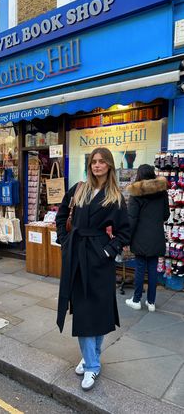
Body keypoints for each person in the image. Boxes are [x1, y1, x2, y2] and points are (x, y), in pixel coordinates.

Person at [56, 147, 130, 391]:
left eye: (101, 162)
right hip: (77, 257)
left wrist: (108, 251)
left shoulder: (115, 197)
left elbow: (125, 232)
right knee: (84, 312)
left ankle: (91, 361)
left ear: (109, 165)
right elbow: (61, 214)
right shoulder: (79, 188)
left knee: (99, 313)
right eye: (93, 162)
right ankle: (91, 363)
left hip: (99, 260)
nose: (96, 165)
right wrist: (64, 241)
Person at [125, 164, 170, 313]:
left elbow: (131, 220)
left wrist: (126, 239)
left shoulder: (136, 193)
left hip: (140, 237)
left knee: (139, 269)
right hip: (156, 237)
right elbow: (166, 215)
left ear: (139, 175)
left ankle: (136, 300)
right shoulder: (162, 192)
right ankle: (151, 302)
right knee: (152, 269)